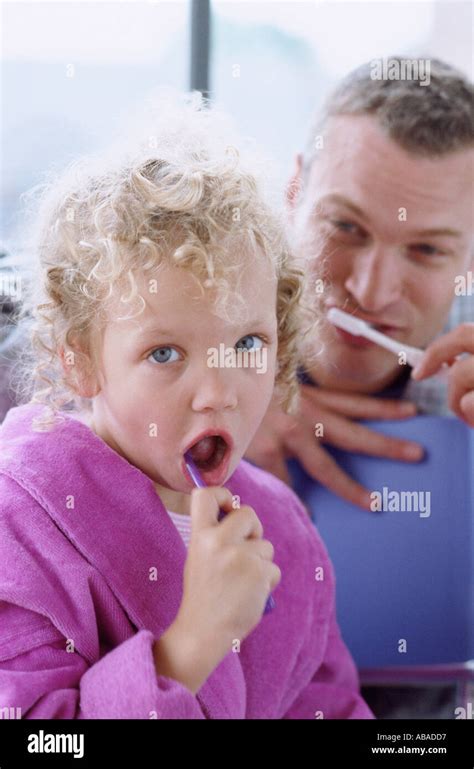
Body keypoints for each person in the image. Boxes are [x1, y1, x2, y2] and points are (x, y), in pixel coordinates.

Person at [0, 94, 373, 719]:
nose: (218, 392)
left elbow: (328, 706)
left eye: (248, 343)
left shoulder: (284, 529)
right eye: (166, 354)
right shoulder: (21, 526)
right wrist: (194, 643)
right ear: (79, 358)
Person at [246, 57, 474, 510]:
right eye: (346, 227)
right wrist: (209, 404)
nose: (371, 292)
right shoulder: (187, 302)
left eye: (426, 250)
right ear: (294, 193)